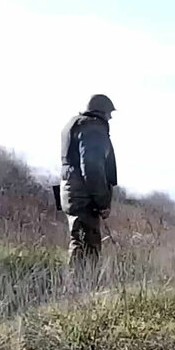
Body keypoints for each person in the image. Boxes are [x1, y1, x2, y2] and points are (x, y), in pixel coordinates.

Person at [58, 94, 118, 276]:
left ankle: (76, 290)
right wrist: (102, 202)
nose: (110, 118)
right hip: (84, 196)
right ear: (101, 112)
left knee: (79, 241)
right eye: (109, 113)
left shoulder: (77, 125)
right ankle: (79, 292)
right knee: (86, 246)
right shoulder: (93, 128)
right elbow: (92, 168)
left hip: (72, 192)